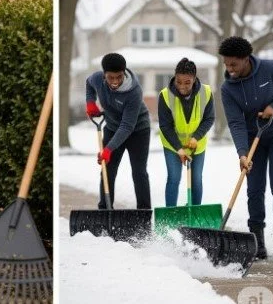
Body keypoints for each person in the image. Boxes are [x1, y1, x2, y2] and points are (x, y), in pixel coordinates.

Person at [219, 36, 273, 261]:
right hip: (253, 139)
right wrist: (242, 153)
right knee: (254, 188)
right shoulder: (228, 89)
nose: (229, 69)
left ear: (246, 59)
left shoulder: (270, 69)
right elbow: (236, 122)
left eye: (234, 64)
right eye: (226, 64)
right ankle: (257, 240)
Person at [85, 53, 151, 211]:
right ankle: (105, 210)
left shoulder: (134, 92)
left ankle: (144, 211)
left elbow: (127, 126)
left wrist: (108, 149)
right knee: (107, 170)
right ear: (104, 75)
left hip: (138, 131)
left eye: (119, 77)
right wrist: (90, 103)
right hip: (113, 128)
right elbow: (89, 83)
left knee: (139, 172)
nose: (115, 82)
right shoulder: (97, 79)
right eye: (110, 77)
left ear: (124, 72)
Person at [157, 58, 214, 208]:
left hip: (197, 144)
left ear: (194, 79)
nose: (182, 86)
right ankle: (170, 214)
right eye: (179, 81)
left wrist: (196, 137)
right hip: (173, 144)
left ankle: (194, 213)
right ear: (175, 77)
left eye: (187, 82)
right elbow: (165, 126)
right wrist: (179, 149)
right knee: (174, 178)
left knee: (196, 179)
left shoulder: (206, 93)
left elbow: (209, 118)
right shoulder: (165, 95)